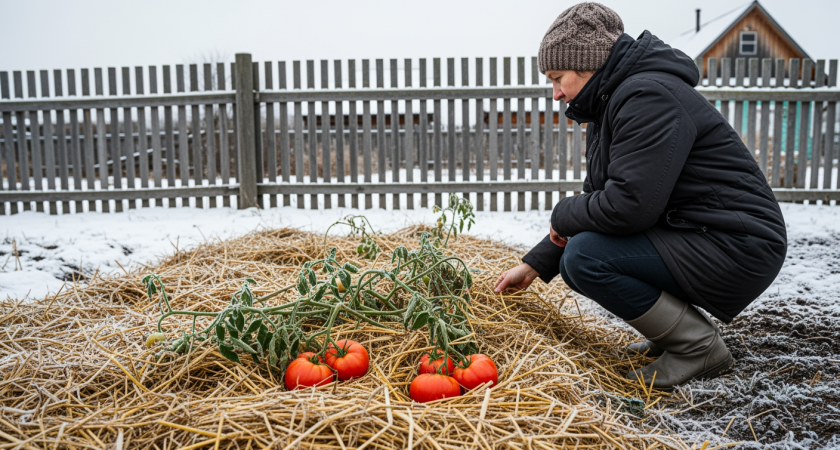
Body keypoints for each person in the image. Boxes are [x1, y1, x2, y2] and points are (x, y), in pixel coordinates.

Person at [493, 2, 787, 389]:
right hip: (702, 233)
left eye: (558, 77)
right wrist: (535, 265)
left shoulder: (648, 97)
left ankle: (697, 347)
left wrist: (562, 213)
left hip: (739, 244)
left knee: (585, 257)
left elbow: (627, 208)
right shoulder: (613, 103)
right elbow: (601, 201)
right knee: (579, 252)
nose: (556, 93)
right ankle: (672, 333)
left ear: (587, 64)